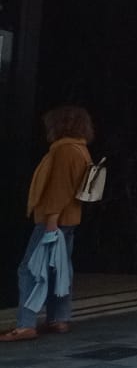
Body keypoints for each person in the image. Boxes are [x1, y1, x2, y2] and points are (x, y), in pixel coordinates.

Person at [7, 106, 93, 343]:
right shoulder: (81, 148)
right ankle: (59, 318)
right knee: (59, 270)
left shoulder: (64, 151)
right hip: (69, 219)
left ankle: (26, 324)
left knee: (30, 269)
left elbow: (58, 188)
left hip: (54, 221)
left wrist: (51, 220)